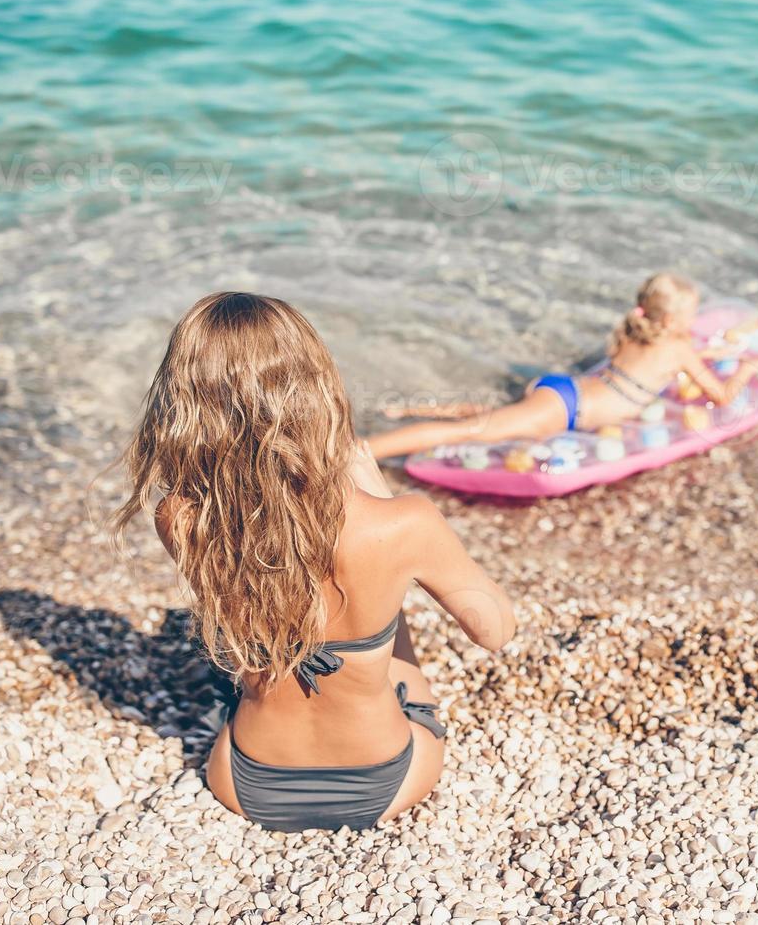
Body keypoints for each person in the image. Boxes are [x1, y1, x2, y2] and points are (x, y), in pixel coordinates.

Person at [111, 291, 514, 833]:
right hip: (384, 781)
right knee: (384, 626)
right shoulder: (402, 523)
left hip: (244, 780)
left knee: (275, 627)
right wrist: (386, 506)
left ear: (182, 402)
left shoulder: (180, 517)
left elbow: (270, 569)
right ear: (314, 387)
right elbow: (494, 632)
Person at [365, 273, 758, 459]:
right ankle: (362, 451)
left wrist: (705, 356)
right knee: (464, 433)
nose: (694, 322)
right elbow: (721, 396)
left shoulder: (639, 334)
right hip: (565, 411)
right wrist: (746, 370)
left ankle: (406, 409)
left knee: (495, 417)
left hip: (560, 391)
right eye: (690, 316)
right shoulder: (679, 349)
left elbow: (658, 362)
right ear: (668, 322)